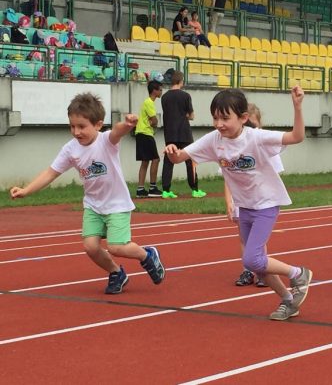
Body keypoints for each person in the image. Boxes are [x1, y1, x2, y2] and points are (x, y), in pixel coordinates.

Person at [164, 87, 313, 321]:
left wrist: (297, 106)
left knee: (252, 259)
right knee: (257, 265)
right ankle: (288, 300)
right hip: (245, 207)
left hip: (266, 203)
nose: (219, 124)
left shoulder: (256, 138)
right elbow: (181, 156)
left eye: (225, 118)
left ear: (243, 118)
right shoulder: (214, 140)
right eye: (215, 117)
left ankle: (298, 273)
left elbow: (296, 137)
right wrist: (172, 152)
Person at [9, 93, 165, 294]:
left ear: (98, 125)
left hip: (116, 204)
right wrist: (26, 190)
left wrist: (127, 125)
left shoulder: (105, 141)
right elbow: (51, 172)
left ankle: (147, 255)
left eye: (81, 126)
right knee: (90, 247)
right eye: (72, 126)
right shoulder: (70, 149)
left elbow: (116, 132)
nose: (76, 132)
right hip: (93, 205)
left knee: (117, 247)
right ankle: (116, 272)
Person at [228, 103, 284, 288]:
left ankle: (263, 271)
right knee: (244, 238)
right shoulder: (231, 147)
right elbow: (227, 177)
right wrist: (229, 201)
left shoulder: (264, 144)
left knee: (257, 241)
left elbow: (274, 174)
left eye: (254, 125)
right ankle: (248, 270)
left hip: (261, 200)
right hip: (241, 199)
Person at [160, 70, 207, 199]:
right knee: (190, 160)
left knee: (168, 161)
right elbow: (191, 116)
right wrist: (185, 115)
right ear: (181, 81)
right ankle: (194, 189)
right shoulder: (185, 96)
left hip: (170, 133)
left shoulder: (164, 97)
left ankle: (165, 190)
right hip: (184, 132)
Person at [135, 80, 163, 198]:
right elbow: (154, 120)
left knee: (145, 161)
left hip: (141, 133)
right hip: (145, 133)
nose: (161, 91)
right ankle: (152, 187)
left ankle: (140, 189)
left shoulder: (147, 102)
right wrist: (154, 124)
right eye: (160, 89)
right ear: (154, 91)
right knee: (155, 159)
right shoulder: (149, 103)